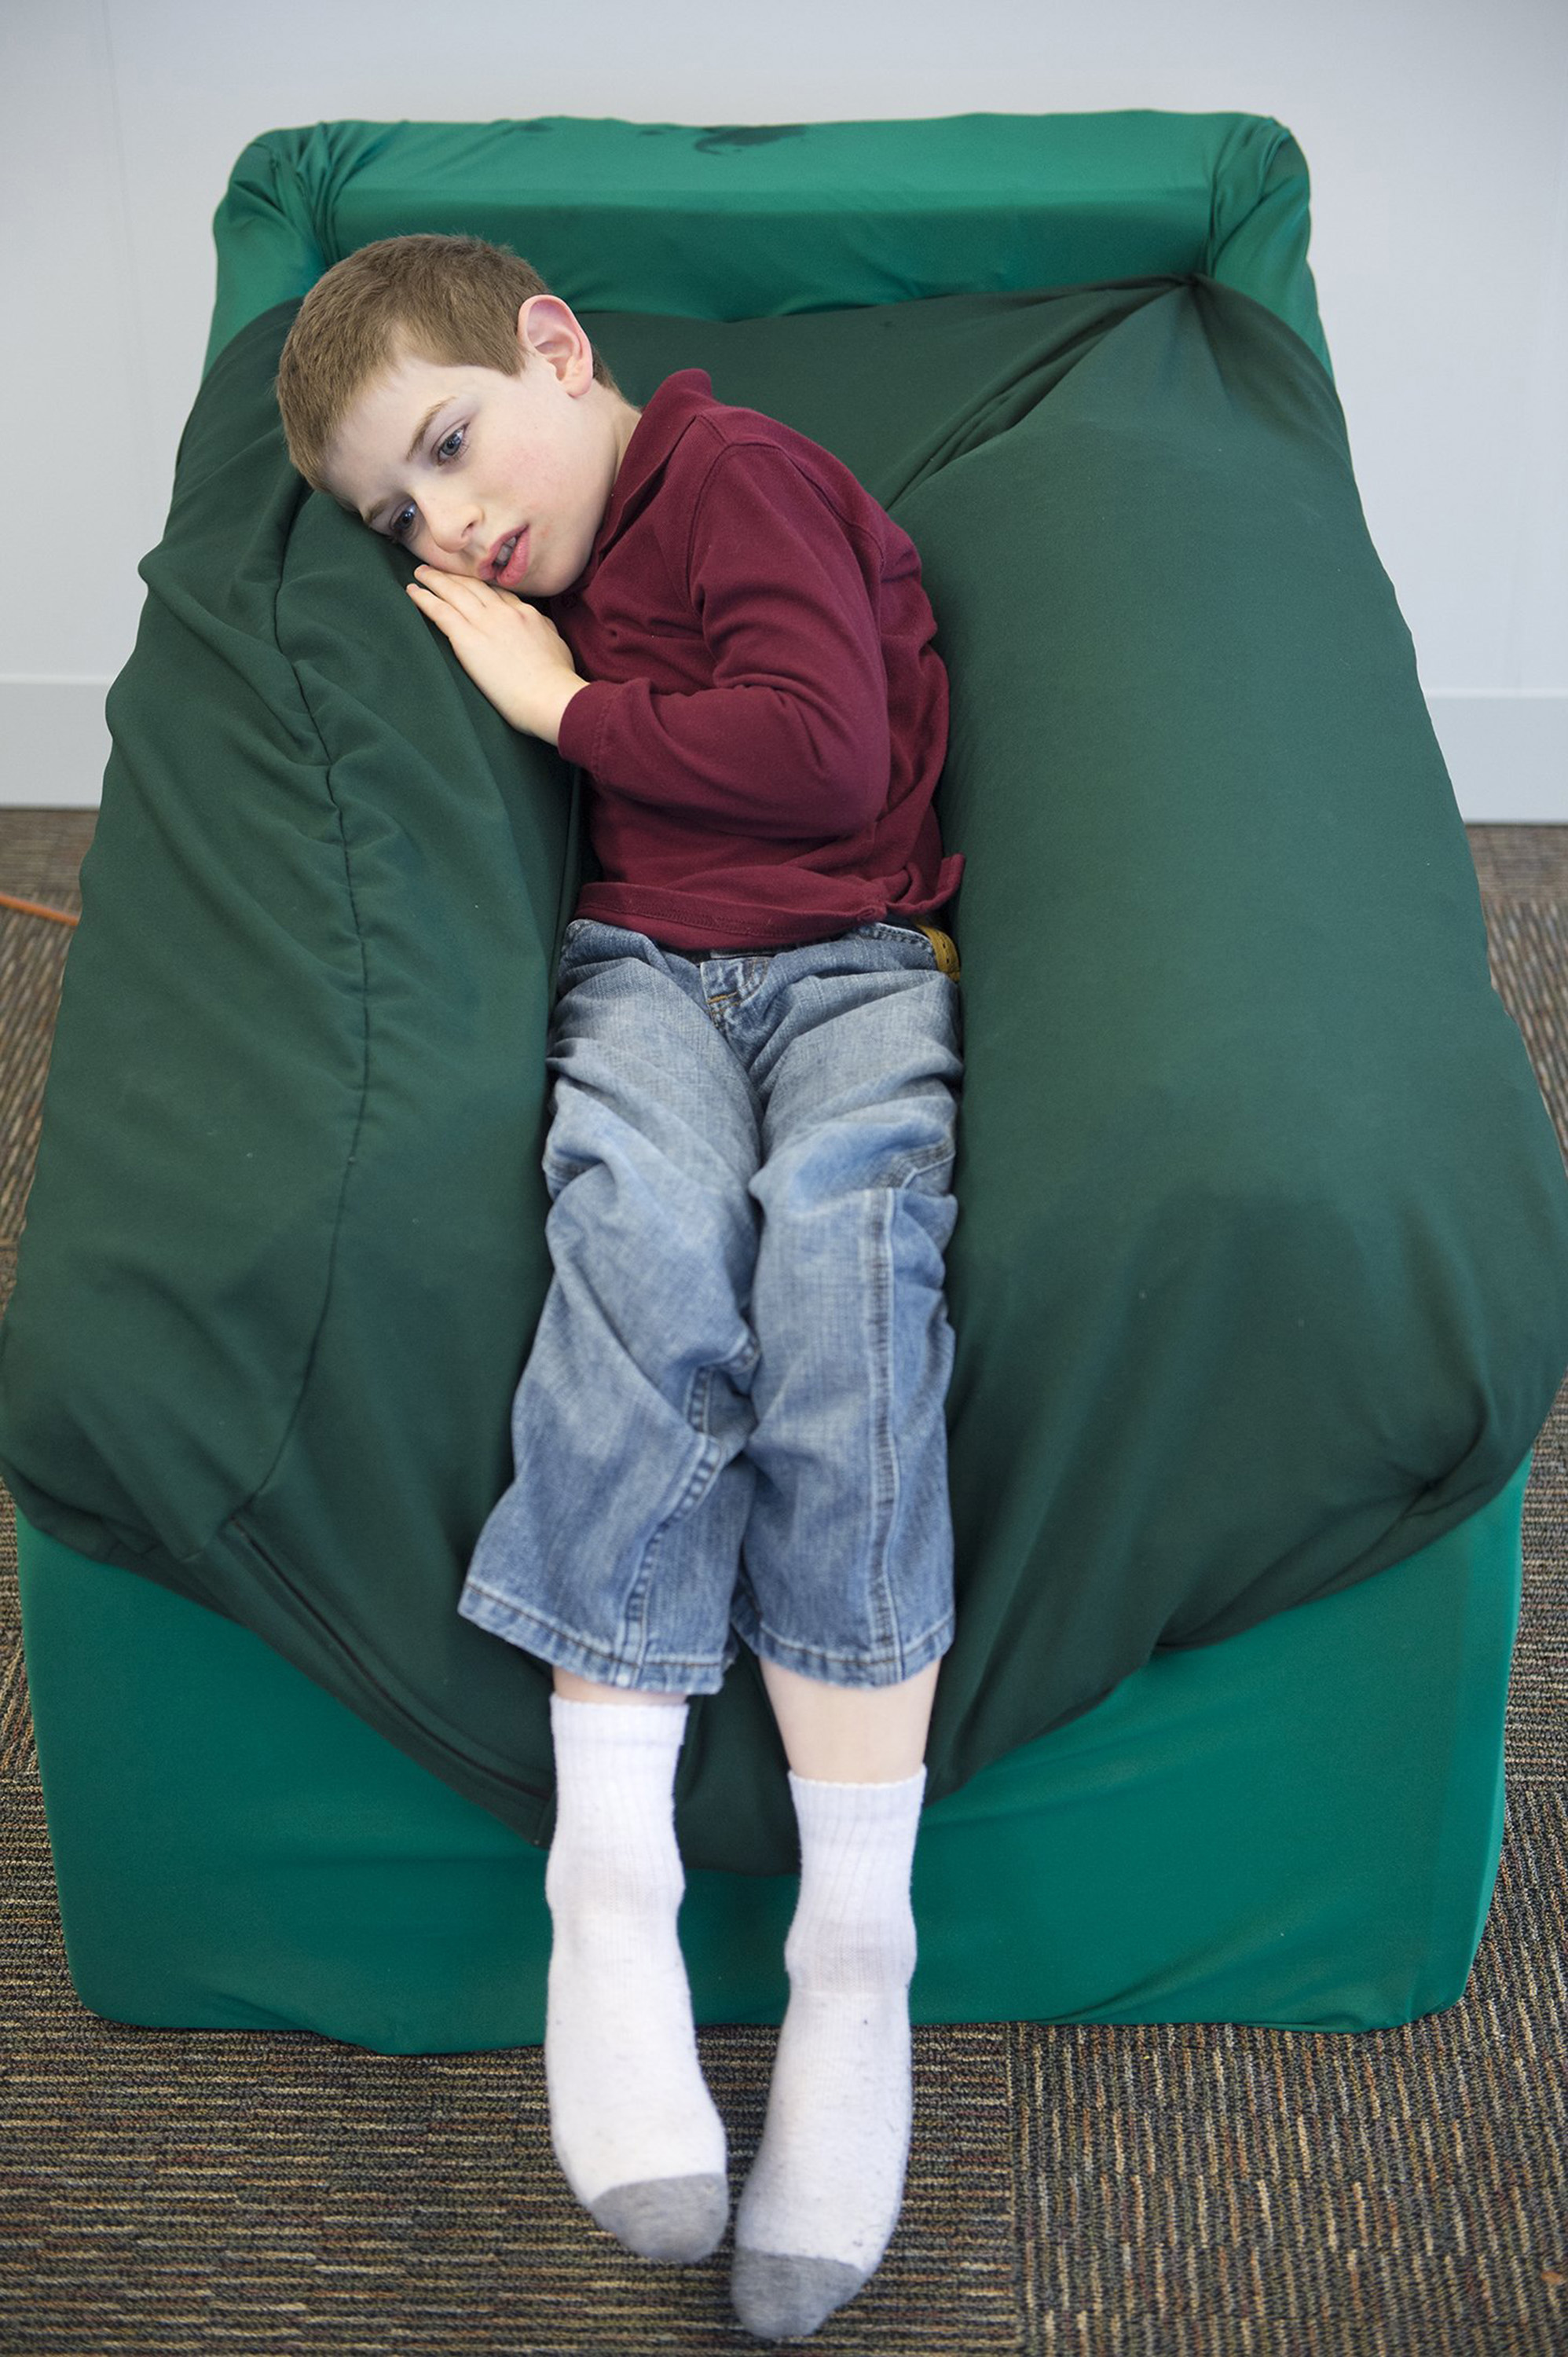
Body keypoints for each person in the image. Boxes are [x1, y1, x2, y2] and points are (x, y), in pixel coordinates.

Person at [274, 232, 965, 2344]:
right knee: (640, 1259)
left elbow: (824, 758)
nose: (452, 525)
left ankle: (857, 1950)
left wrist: (557, 702)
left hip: (852, 962)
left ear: (557, 354)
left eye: (457, 446)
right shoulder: (529, 566)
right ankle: (615, 1888)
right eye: (405, 512)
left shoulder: (724, 475)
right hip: (644, 972)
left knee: (848, 1294)